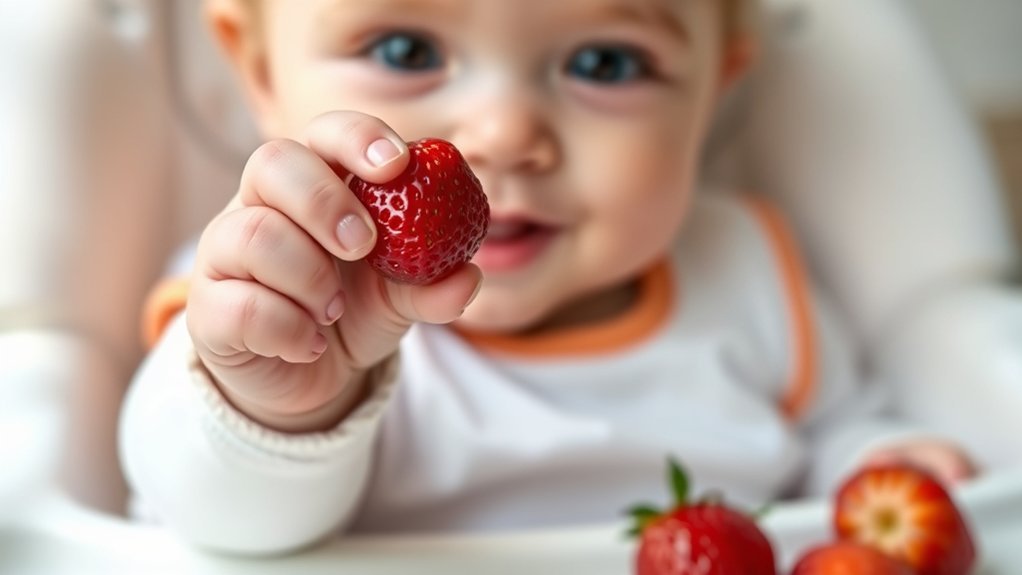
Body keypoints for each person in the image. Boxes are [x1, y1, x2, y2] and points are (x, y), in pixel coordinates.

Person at [119, 0, 976, 554]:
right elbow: (199, 517)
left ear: (715, 90)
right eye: (404, 47)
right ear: (260, 72)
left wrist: (876, 459)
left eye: (605, 64)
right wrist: (274, 406)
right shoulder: (270, 290)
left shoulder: (750, 270)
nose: (503, 132)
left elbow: (837, 430)